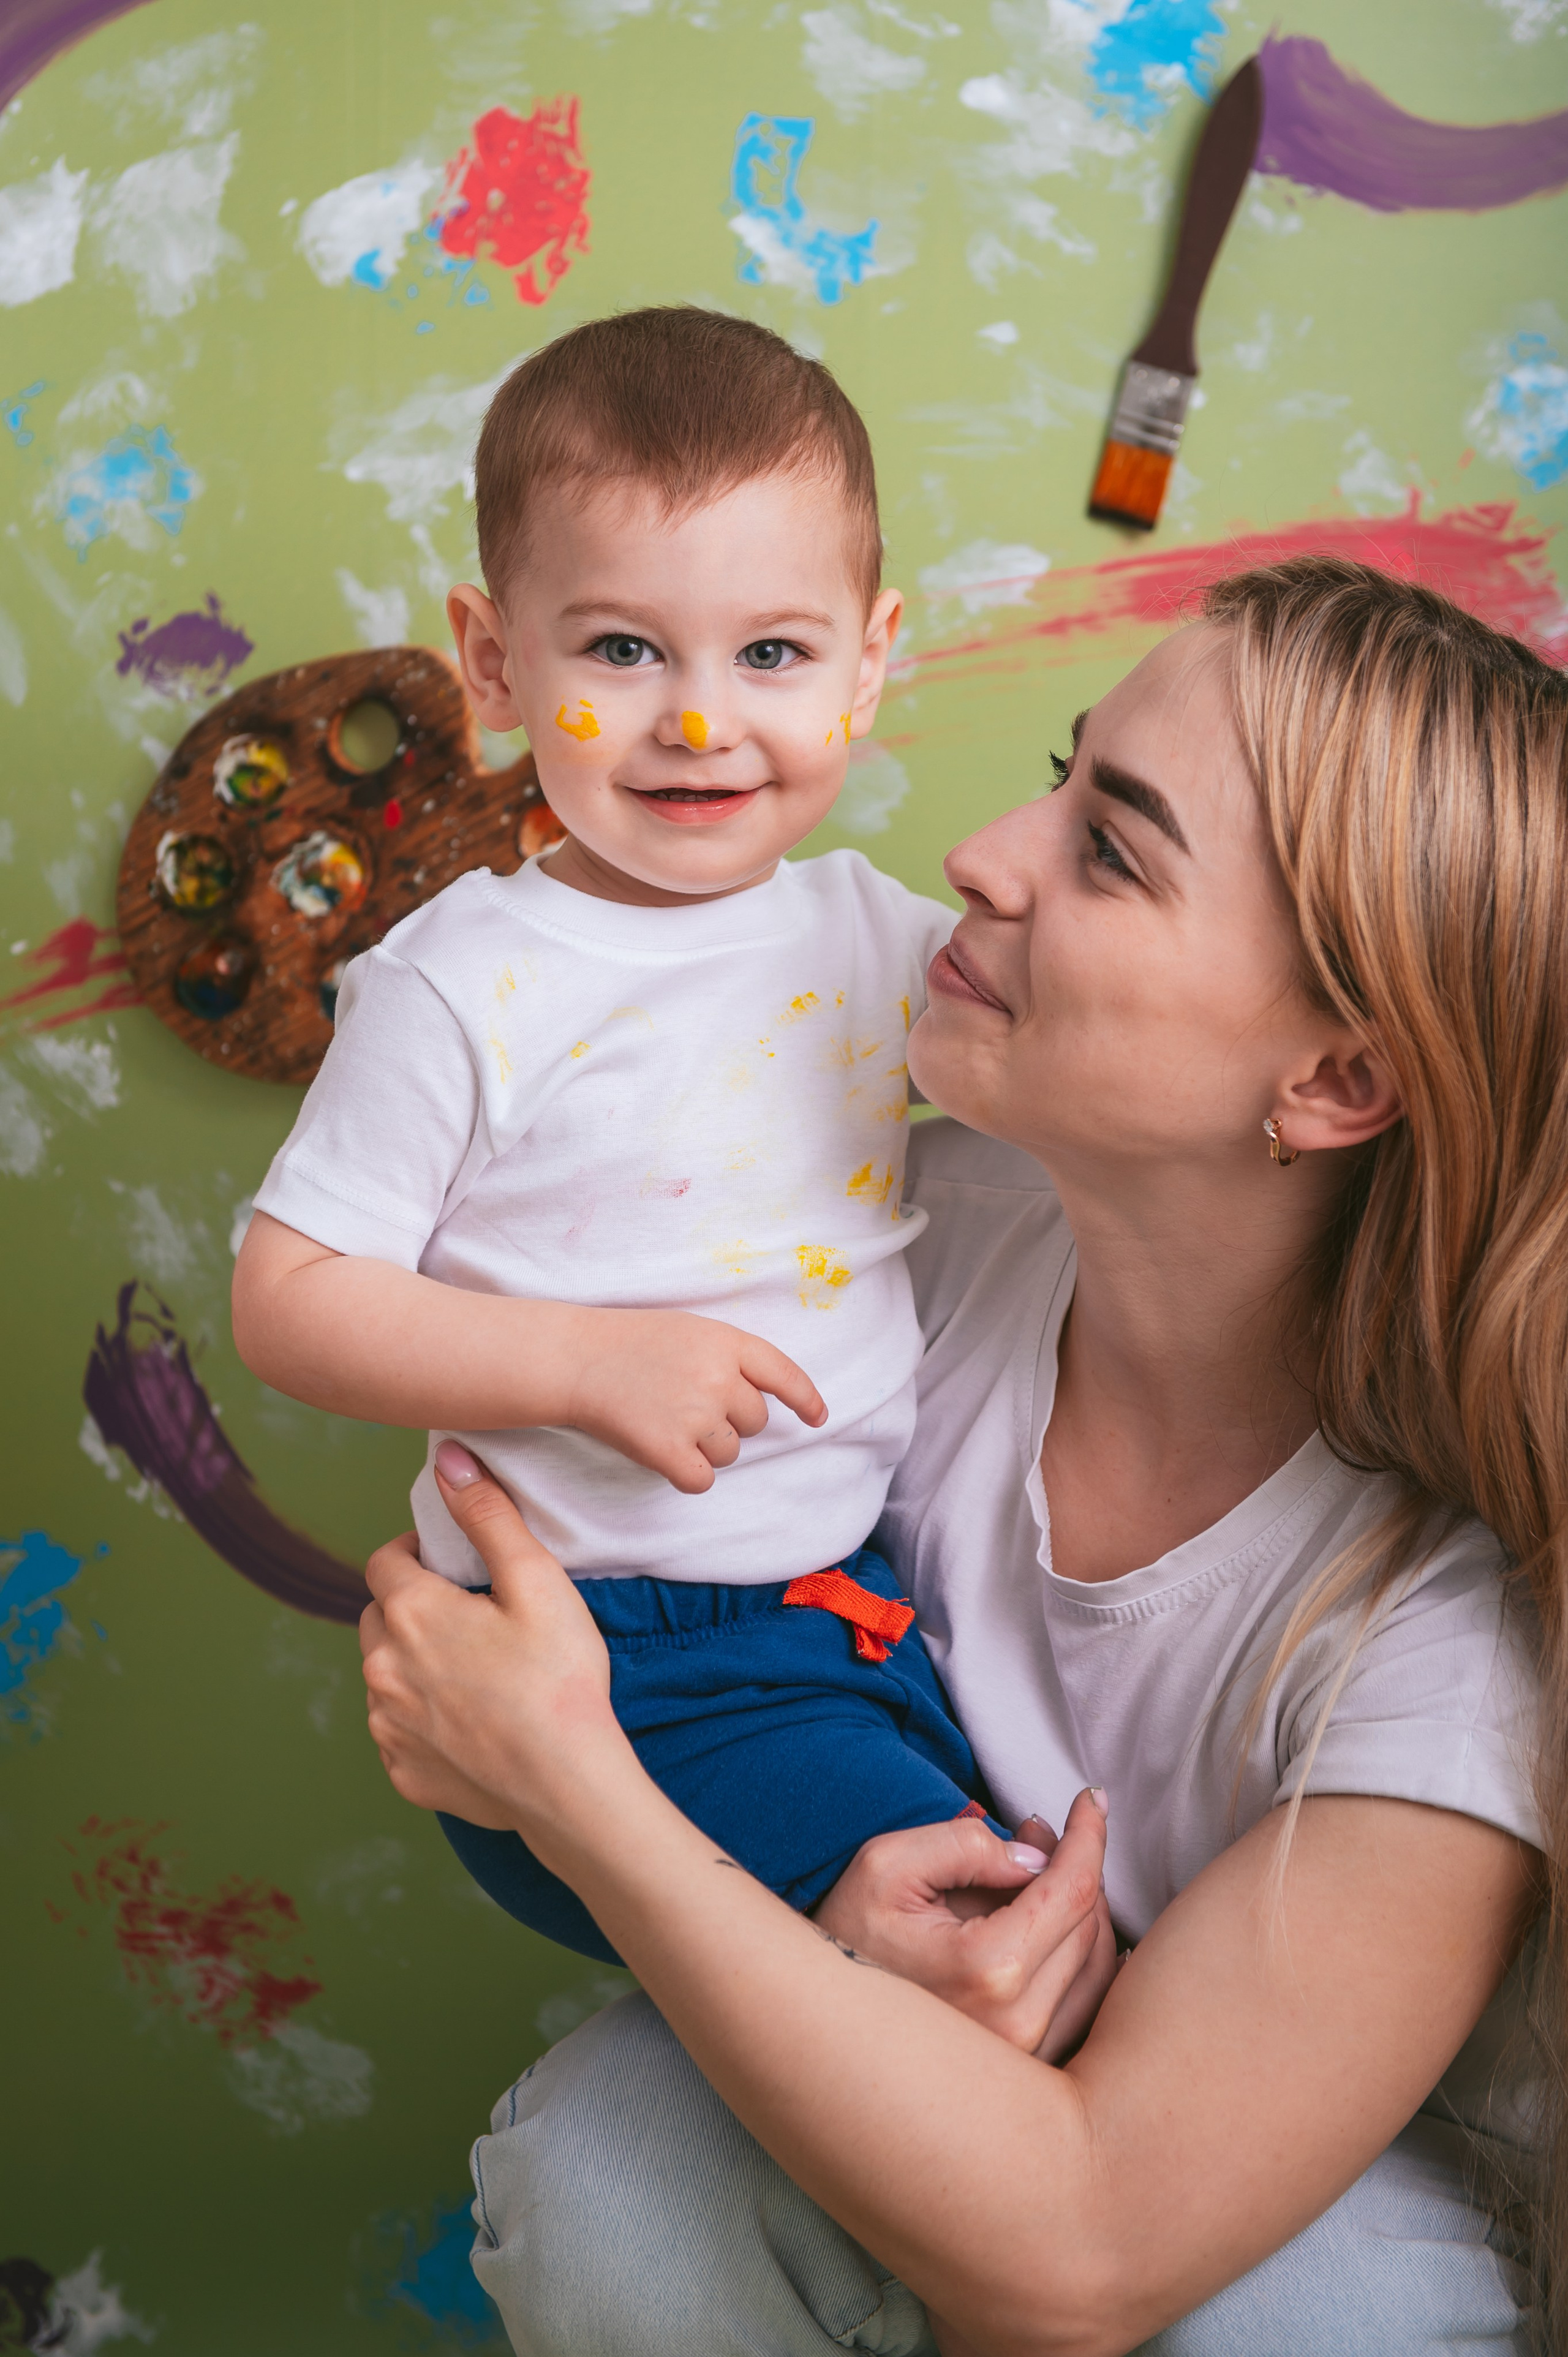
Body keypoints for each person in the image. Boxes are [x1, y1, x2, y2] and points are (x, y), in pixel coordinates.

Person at [357, 557, 1568, 2354]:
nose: (986, 853)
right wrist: (819, 1898)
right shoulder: (890, 1246)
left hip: (1288, 2225)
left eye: (1114, 850)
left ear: (1331, 1082)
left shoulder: (1449, 1640)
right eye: (1063, 779)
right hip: (954, 2077)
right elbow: (508, 1609)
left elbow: (1087, 2256)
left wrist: (573, 1785)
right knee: (608, 2156)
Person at [232, 306, 1028, 1964]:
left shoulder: (878, 938)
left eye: (773, 655)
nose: (699, 720)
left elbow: (1080, 1060)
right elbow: (288, 1301)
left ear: (870, 659)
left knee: (1040, 1925)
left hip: (844, 1614)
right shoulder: (460, 984)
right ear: (493, 660)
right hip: (602, 1655)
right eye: (621, 651)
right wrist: (587, 1364)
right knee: (977, 1942)